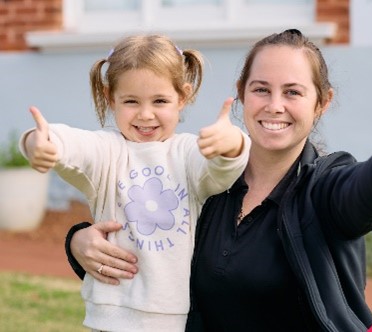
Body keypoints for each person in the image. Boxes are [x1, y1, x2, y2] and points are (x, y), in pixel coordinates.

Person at [64, 29, 372, 331]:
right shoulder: (206, 179)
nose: (275, 105)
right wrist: (79, 241)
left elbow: (366, 194)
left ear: (321, 102)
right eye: (261, 89)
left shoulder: (325, 187)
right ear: (241, 94)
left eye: (293, 92)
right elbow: (151, 239)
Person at [20, 34, 250, 332]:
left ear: (183, 97)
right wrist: (38, 142)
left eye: (160, 101)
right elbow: (65, 141)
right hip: (112, 319)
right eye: (131, 101)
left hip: (177, 319)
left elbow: (221, 169)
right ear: (109, 97)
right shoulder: (107, 152)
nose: (145, 114)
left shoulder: (188, 152)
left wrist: (232, 143)